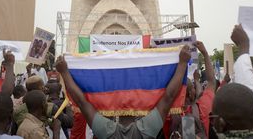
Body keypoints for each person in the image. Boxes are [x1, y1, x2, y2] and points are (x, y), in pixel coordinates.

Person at [55, 45, 192, 139]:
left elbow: (82, 102)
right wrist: (182, 63)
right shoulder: (147, 131)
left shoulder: (106, 132)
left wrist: (64, 72)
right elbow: (168, 97)